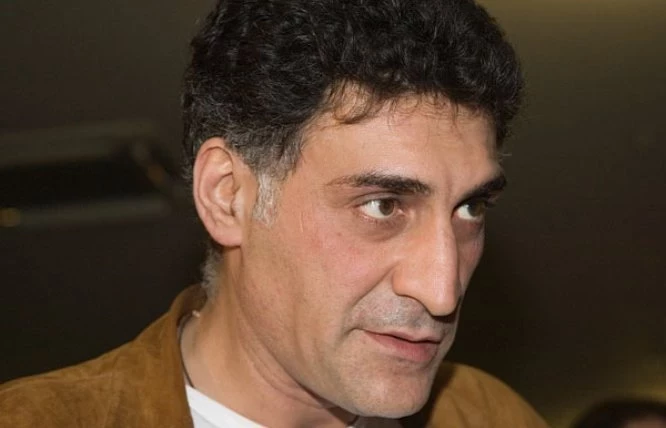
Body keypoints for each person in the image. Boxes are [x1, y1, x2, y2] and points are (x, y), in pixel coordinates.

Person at [0, 0, 549, 426]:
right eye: (383, 206)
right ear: (227, 196)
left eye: (469, 208)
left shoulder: (492, 417)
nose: (443, 290)